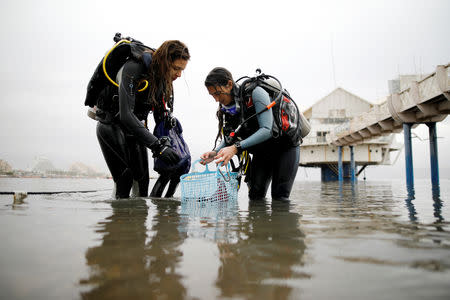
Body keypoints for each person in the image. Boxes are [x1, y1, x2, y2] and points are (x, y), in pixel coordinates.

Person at [87, 37, 190, 198]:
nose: (179, 74)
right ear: (164, 61)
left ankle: (136, 222)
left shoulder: (162, 80)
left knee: (142, 181)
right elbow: (126, 114)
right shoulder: (133, 68)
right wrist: (157, 146)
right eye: (176, 68)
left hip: (136, 129)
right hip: (111, 123)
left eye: (182, 69)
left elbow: (160, 116)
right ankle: (118, 220)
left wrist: (168, 143)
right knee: (125, 179)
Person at [200, 67, 300, 201]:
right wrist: (215, 152)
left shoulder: (256, 93)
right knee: (255, 196)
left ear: (229, 84)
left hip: (285, 147)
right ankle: (257, 222)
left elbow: (267, 129)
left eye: (217, 93)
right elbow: (232, 135)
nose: (216, 99)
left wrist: (236, 148)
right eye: (212, 95)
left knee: (280, 198)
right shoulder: (229, 108)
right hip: (263, 152)